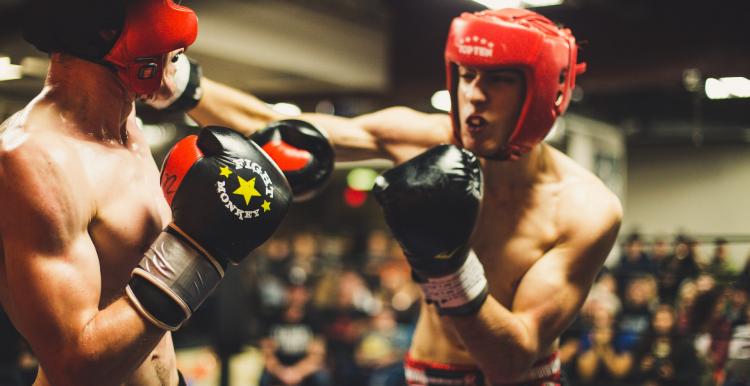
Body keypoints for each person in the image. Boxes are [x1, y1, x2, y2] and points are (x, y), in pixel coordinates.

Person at [150, 7, 621, 385]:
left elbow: (512, 360)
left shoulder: (585, 210)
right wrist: (178, 82)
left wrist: (447, 266)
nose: (473, 95)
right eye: (467, 75)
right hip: (425, 372)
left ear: (541, 93)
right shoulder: (425, 137)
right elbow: (282, 132)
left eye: (498, 79)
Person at [0, 1, 295, 386]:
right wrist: (198, 250)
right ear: (102, 28)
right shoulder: (34, 157)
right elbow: (73, 364)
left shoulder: (131, 129)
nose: (176, 17)